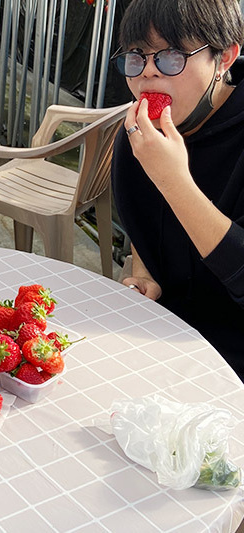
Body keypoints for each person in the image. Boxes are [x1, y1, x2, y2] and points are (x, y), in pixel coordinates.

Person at [111, 0, 244, 378]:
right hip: (160, 335)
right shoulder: (137, 137)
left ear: (225, 57)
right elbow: (141, 222)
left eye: (171, 56)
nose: (148, 72)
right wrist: (144, 272)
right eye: (136, 56)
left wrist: (173, 181)